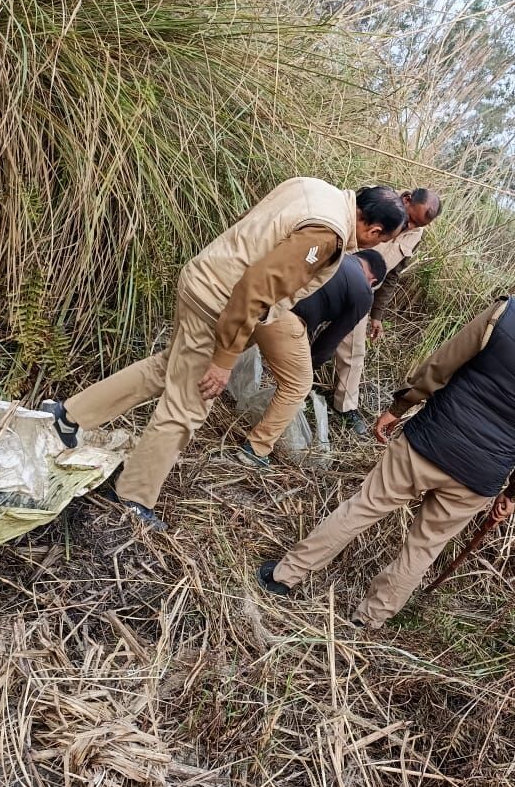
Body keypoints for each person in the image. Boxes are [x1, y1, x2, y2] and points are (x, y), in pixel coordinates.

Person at [42, 180, 406, 528]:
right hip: (218, 304)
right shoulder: (327, 233)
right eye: (382, 239)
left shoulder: (316, 190)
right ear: (373, 230)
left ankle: (69, 415)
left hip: (205, 278)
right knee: (188, 406)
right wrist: (224, 359)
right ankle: (133, 497)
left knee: (163, 369)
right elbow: (256, 287)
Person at [258, 263, 515, 629]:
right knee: (422, 549)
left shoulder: (508, 311)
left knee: (363, 507)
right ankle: (367, 621)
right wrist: (514, 491)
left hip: (430, 442)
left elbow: (442, 363)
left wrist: (400, 405)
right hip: (479, 478)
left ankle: (284, 577)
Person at [236, 249, 388, 468]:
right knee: (297, 384)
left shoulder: (337, 254)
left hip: (258, 296)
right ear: (372, 279)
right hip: (285, 316)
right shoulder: (365, 292)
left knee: (235, 345)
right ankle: (255, 449)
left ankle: (183, 381)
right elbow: (329, 342)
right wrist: (309, 366)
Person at [331, 187, 443, 436]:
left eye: (418, 224)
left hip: (363, 293)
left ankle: (345, 407)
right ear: (406, 200)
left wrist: (377, 315)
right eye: (411, 218)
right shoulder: (380, 203)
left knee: (354, 351)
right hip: (335, 273)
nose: (410, 226)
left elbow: (392, 275)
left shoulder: (416, 234)